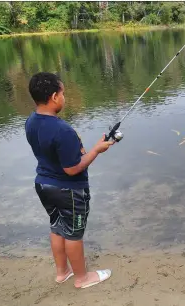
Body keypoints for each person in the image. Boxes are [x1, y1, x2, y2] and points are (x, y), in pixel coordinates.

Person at [25, 72, 115, 289]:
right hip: (69, 191)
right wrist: (96, 150)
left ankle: (62, 272)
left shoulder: (31, 121)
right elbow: (72, 168)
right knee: (74, 234)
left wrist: (85, 150)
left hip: (43, 185)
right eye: (63, 93)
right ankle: (82, 278)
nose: (65, 97)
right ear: (55, 96)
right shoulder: (62, 130)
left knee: (57, 228)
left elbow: (54, 152)